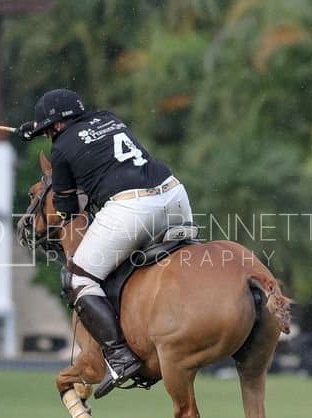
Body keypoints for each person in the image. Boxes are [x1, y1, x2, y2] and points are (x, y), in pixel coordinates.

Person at [21, 88, 194, 397]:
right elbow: (91, 145)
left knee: (79, 277)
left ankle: (119, 354)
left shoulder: (60, 147)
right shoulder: (109, 119)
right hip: (174, 195)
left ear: (58, 126)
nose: (49, 137)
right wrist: (36, 130)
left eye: (48, 131)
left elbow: (67, 209)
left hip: (132, 209)